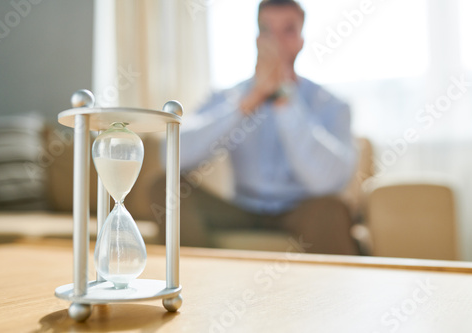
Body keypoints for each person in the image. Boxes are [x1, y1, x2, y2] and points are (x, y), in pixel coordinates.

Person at [153, 0, 359, 255]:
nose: (276, 41)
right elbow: (170, 157)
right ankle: (196, 286)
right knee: (165, 188)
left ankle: (330, 295)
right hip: (241, 209)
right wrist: (245, 105)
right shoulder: (229, 96)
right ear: (257, 38)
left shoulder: (332, 105)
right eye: (267, 30)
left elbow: (328, 183)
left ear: (301, 41)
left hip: (302, 210)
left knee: (332, 209)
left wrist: (285, 99)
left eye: (288, 30)